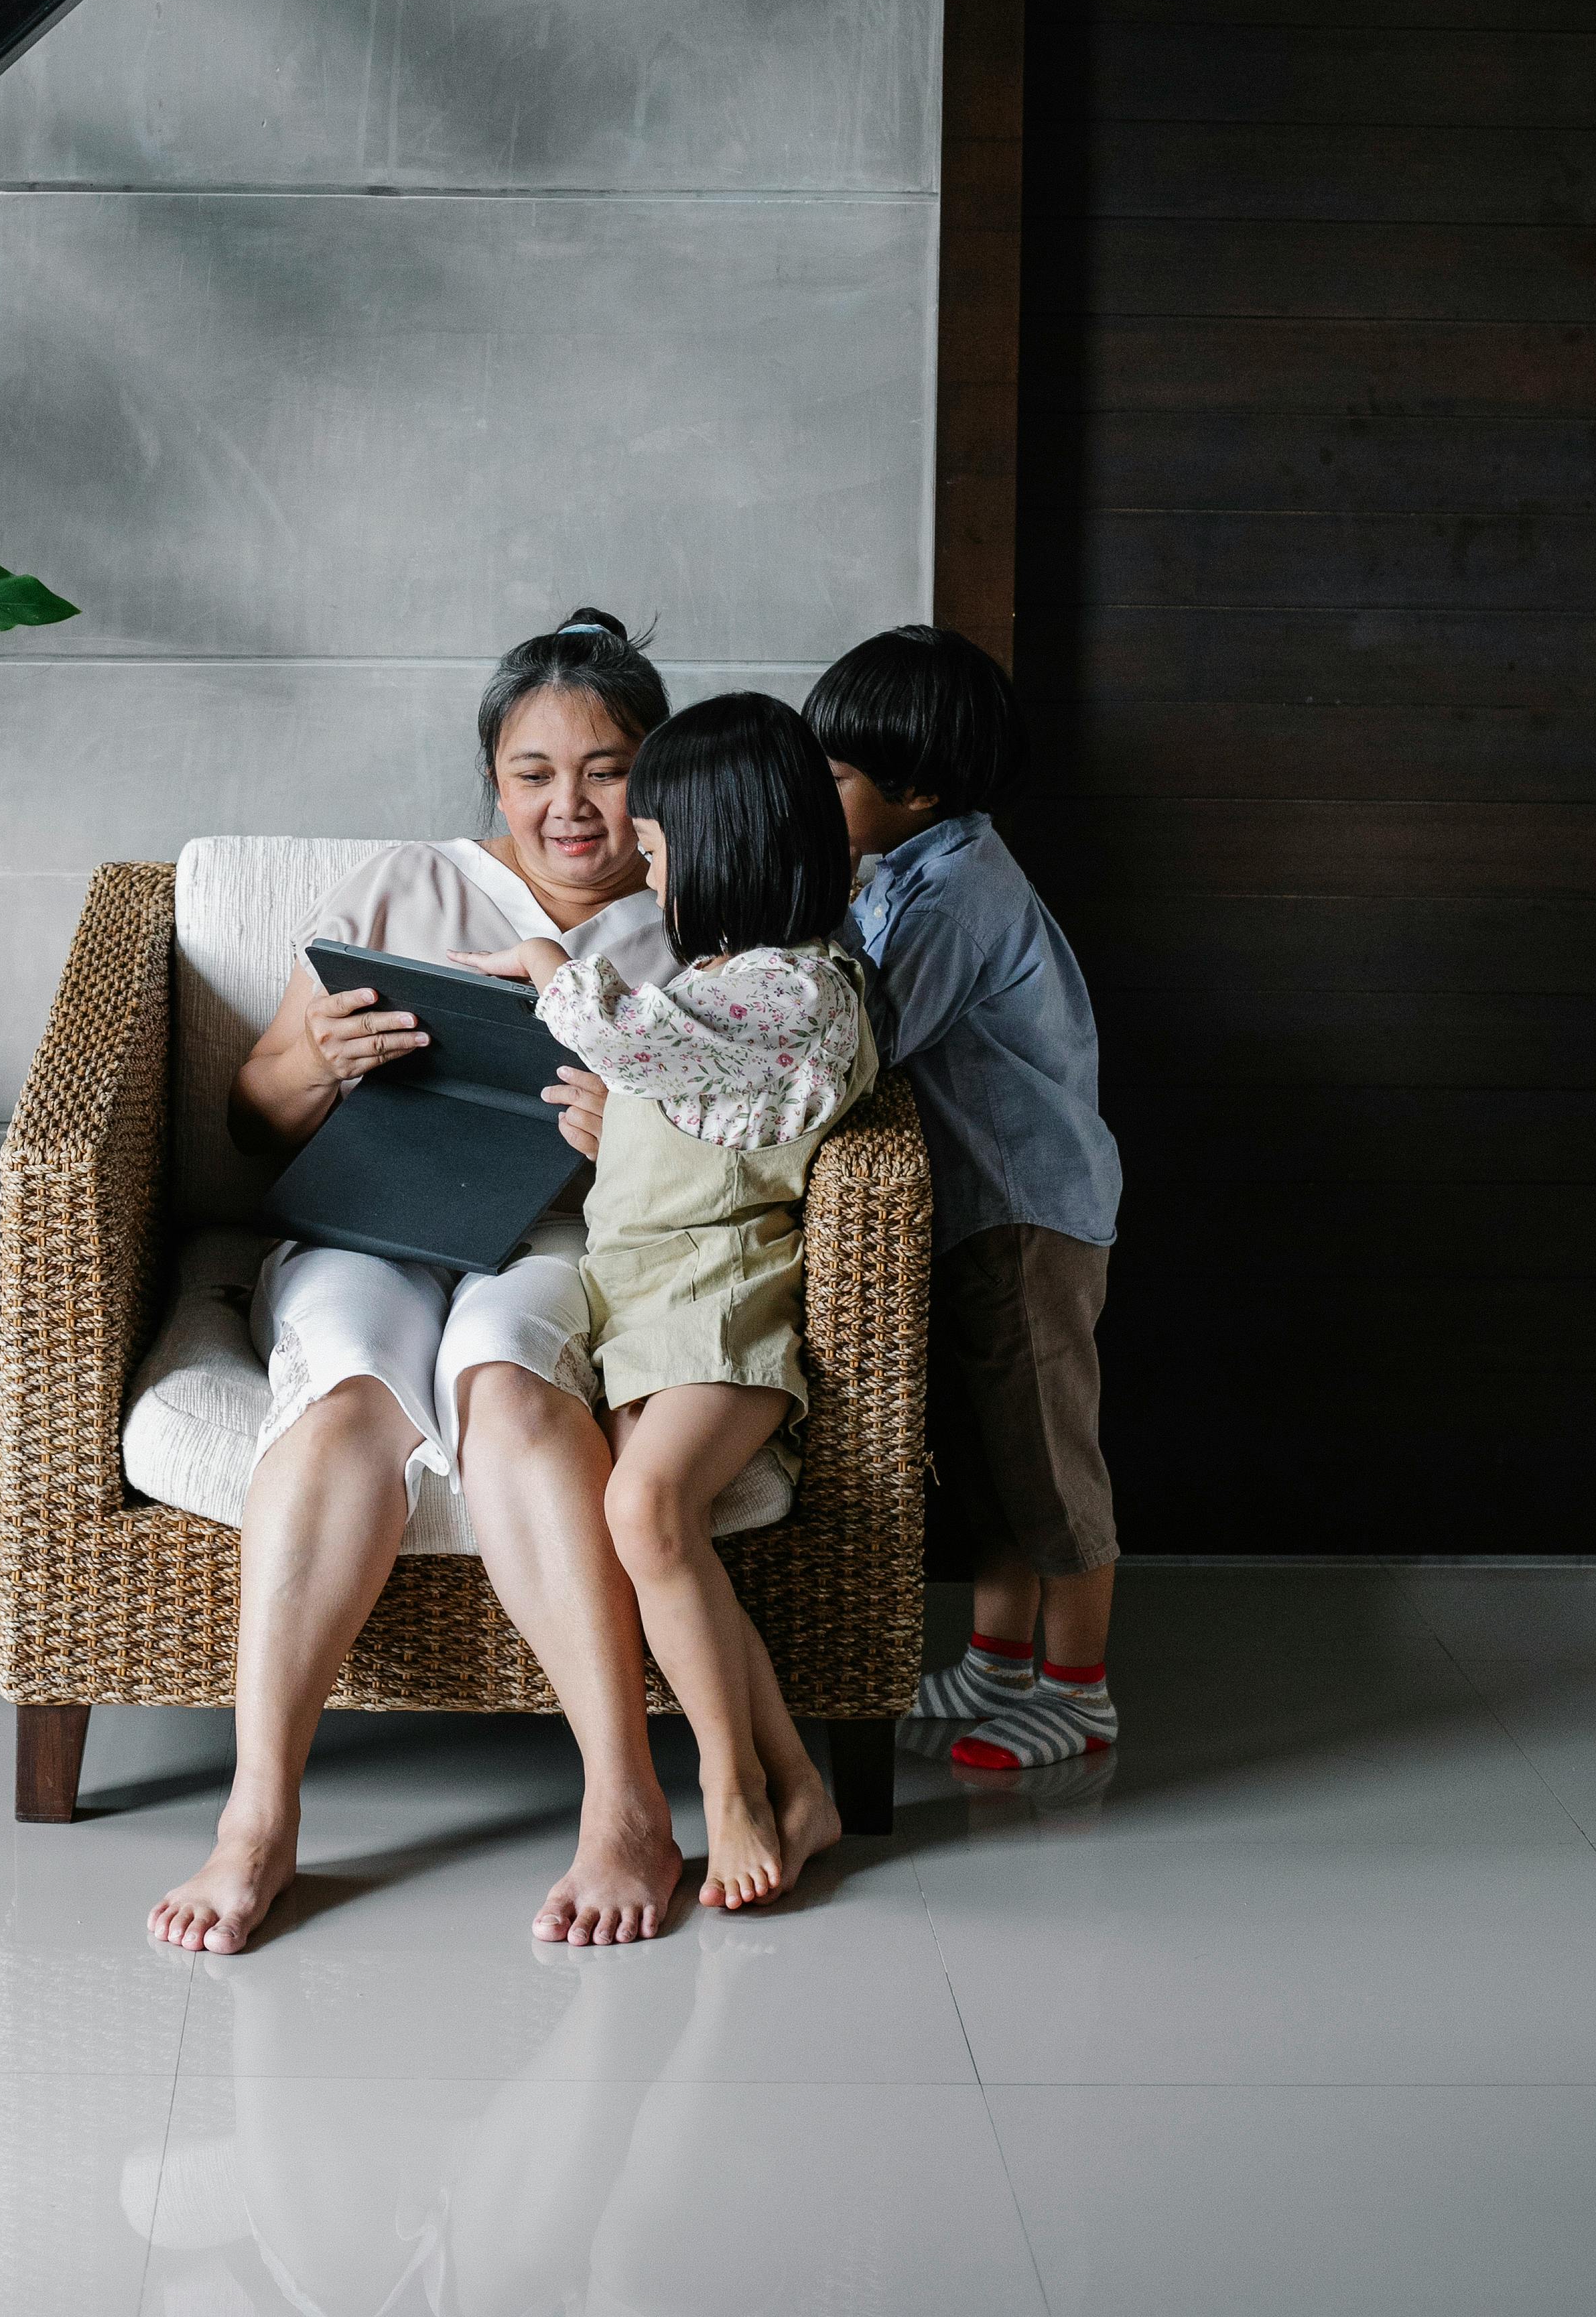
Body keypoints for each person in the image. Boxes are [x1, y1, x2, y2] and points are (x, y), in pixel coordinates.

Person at [150, 609, 690, 1957]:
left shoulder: (691, 923)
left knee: (505, 1385)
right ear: (492, 778)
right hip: (369, 1229)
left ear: (656, 772)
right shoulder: (407, 885)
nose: (570, 806)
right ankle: (257, 1820)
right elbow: (250, 1118)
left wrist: (624, 1135)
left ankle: (626, 1809)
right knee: (344, 1395)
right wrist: (311, 1063)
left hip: (561, 1241)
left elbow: (728, 1154)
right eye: (533, 772)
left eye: (608, 768)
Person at [466, 694, 872, 1909]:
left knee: (644, 1508)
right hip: (640, 1302)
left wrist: (547, 962)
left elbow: (623, 1032)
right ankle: (797, 1787)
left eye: (657, 852)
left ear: (728, 845)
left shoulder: (798, 989)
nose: (645, 873)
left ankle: (733, 1788)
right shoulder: (730, 981)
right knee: (654, 1530)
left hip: (720, 1294)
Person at [803, 625, 1124, 1771]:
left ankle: (1078, 1693)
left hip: (1026, 1213)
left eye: (832, 776)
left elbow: (866, 1045)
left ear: (920, 789)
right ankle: (996, 1663)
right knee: (990, 1453)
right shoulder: (910, 868)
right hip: (979, 1209)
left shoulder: (955, 899)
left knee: (1046, 1461)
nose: (812, 790)